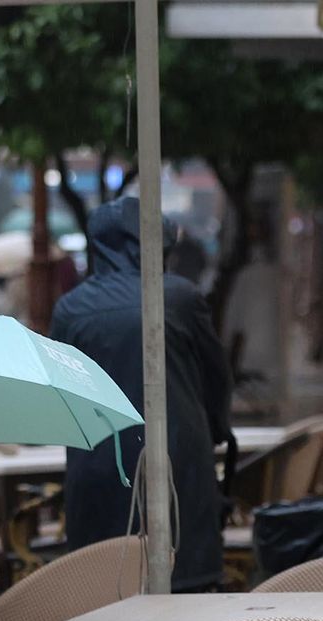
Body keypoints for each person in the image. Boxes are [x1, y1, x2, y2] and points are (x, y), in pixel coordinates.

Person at [50, 198, 233, 592]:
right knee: (183, 588)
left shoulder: (70, 309)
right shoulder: (179, 298)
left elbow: (61, 395)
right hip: (176, 462)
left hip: (98, 464)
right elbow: (216, 377)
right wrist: (217, 429)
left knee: (104, 588)